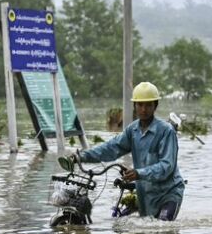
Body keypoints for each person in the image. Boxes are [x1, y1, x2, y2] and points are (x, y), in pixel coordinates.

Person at [73, 82, 185, 221]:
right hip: (146, 194)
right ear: (135, 106)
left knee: (162, 229)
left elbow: (167, 166)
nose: (144, 109)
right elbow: (111, 148)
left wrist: (139, 173)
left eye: (148, 105)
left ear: (155, 106)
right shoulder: (132, 131)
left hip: (168, 193)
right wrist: (82, 157)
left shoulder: (166, 131)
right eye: (140, 105)